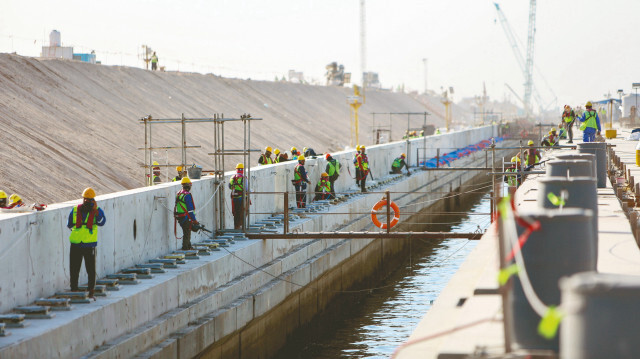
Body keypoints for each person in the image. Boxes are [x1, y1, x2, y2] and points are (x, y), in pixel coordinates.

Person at [67, 187, 106, 298]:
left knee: (90, 269)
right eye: (85, 199)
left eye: (89, 200)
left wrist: (96, 211)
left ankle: (91, 290)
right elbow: (69, 224)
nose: (86, 202)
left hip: (89, 244)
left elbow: (102, 222)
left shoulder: (97, 211)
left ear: (93, 200)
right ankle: (74, 289)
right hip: (76, 244)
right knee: (74, 268)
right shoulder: (75, 210)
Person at [174, 177, 198, 250]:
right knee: (187, 232)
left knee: (186, 231)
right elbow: (190, 210)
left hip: (180, 216)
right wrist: (194, 220)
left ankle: (188, 246)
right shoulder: (187, 195)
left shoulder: (178, 193)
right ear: (188, 185)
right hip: (186, 217)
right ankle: (185, 248)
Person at [229, 163, 246, 229]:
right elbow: (246, 188)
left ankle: (236, 226)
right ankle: (240, 226)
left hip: (234, 197)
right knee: (241, 212)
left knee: (235, 212)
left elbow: (230, 186)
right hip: (241, 197)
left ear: (236, 169)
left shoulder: (232, 178)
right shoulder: (244, 178)